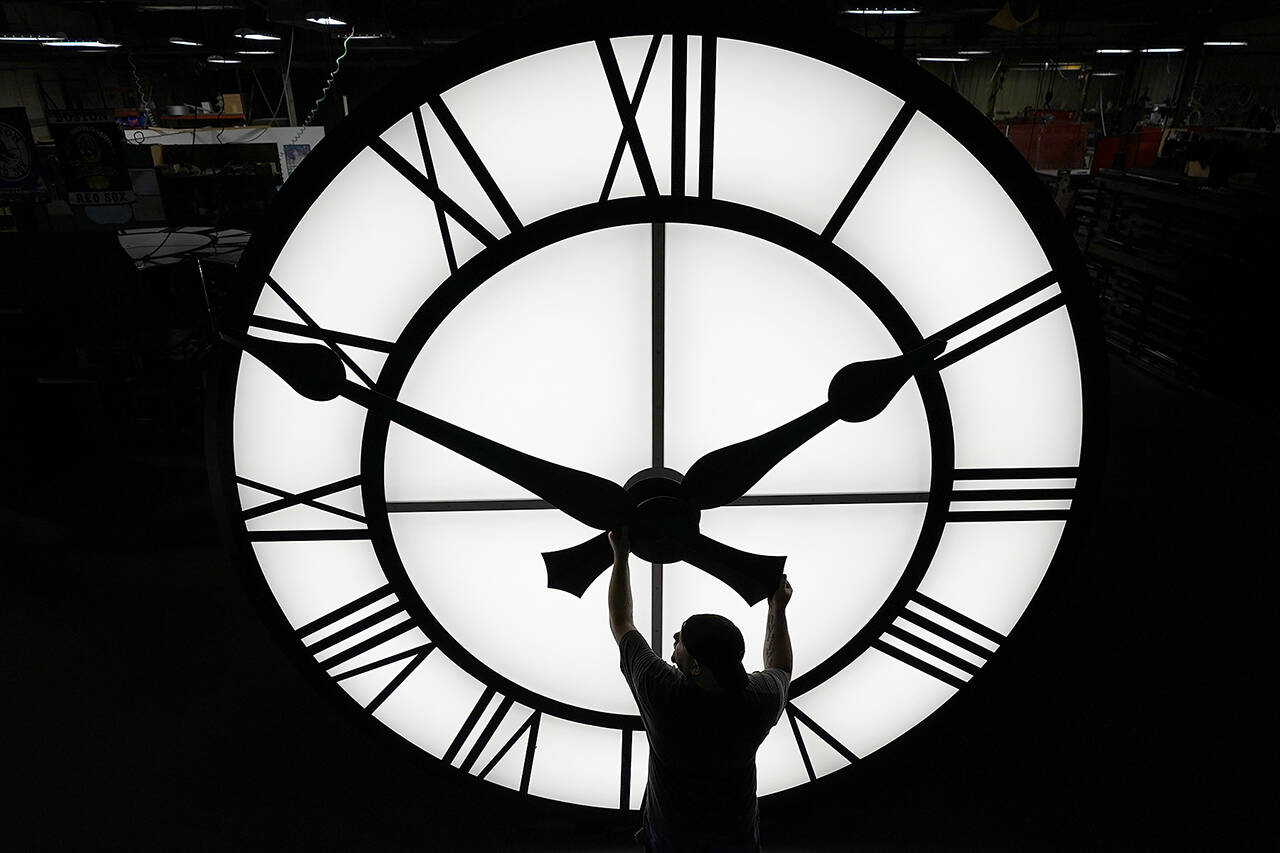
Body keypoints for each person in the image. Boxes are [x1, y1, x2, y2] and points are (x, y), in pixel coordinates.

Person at [608, 528, 793, 853]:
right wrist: (777, 608)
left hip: (670, 838)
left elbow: (621, 621)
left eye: (682, 640)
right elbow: (780, 668)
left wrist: (620, 555)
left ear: (695, 667)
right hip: (735, 838)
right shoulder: (757, 701)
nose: (675, 638)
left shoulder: (662, 692)